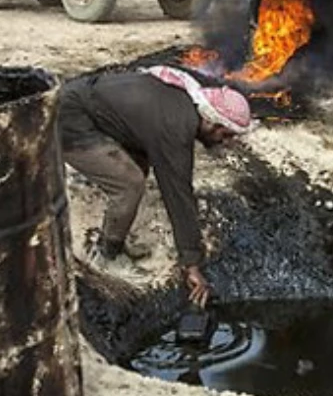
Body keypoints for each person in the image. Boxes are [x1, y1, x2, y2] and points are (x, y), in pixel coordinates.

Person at [58, 65, 253, 307]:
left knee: (138, 166)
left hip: (87, 104)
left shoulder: (185, 102)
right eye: (226, 134)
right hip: (70, 120)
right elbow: (179, 196)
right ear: (212, 122)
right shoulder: (177, 127)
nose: (225, 141)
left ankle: (114, 235)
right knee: (129, 184)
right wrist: (191, 264)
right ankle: (106, 254)